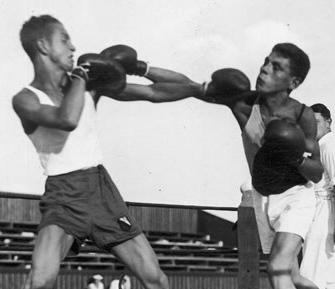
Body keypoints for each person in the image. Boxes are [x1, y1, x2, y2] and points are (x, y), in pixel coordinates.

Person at [12, 15, 202, 289]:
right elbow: (67, 119)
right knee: (39, 281)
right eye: (64, 39)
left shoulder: (88, 85)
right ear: (42, 45)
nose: (73, 47)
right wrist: (81, 76)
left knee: (156, 279)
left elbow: (156, 93)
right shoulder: (26, 99)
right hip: (63, 197)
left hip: (101, 190)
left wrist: (147, 69)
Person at [149, 43, 324, 289]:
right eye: (266, 62)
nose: (264, 70)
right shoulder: (243, 103)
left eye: (276, 68)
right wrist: (140, 68)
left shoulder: (302, 114)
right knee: (292, 277)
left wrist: (295, 156)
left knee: (277, 268)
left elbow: (317, 173)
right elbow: (190, 87)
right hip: (263, 198)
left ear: (293, 83)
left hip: (295, 198)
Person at [299, 104, 335, 289]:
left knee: (315, 275)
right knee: (320, 276)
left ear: (328, 122)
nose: (313, 127)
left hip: (326, 215)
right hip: (316, 212)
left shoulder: (331, 145)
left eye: (317, 122)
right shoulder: (318, 147)